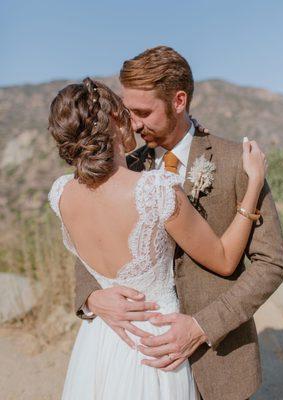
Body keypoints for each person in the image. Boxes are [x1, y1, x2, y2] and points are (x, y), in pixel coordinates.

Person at [48, 74, 268, 399]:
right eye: (125, 111)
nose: (134, 124)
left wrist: (97, 297)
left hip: (101, 343)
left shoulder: (61, 194)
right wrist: (253, 185)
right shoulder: (154, 190)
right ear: (112, 121)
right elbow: (224, 259)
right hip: (157, 348)